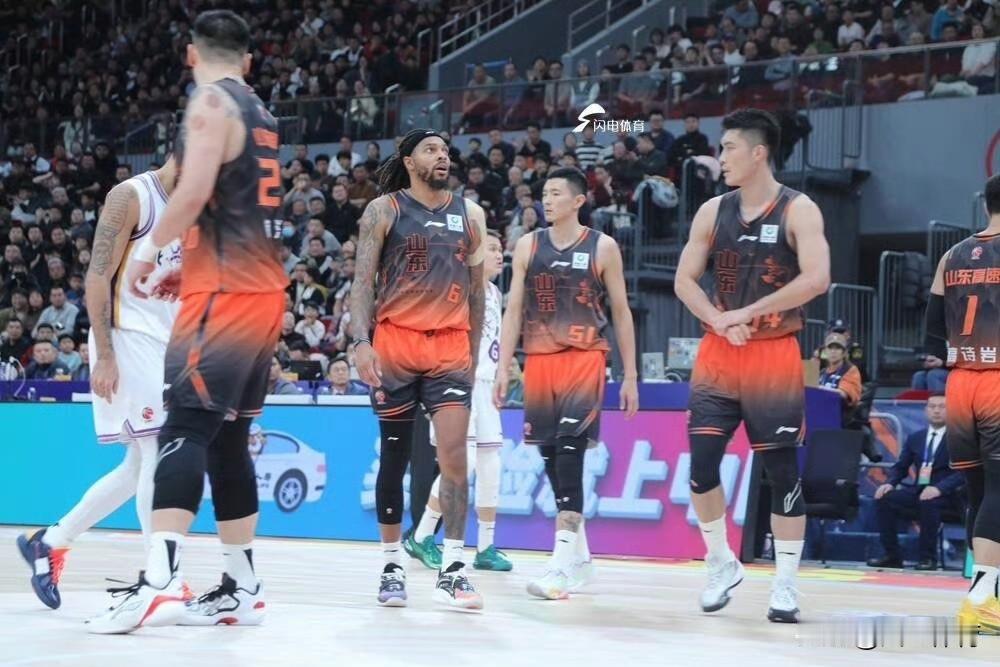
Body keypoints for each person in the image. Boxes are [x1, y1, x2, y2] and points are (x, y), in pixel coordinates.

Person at [87, 11, 287, 633]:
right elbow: (235, 206)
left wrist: (150, 253)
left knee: (183, 428)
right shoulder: (263, 113)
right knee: (228, 439)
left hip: (224, 296)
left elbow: (193, 191)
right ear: (248, 60)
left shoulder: (210, 102)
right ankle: (243, 587)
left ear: (191, 55)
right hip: (263, 294)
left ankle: (158, 580)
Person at [674, 109, 831, 624]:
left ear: (759, 152)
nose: (720, 158)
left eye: (729, 148)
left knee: (781, 472)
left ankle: (785, 584)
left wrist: (748, 313)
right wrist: (720, 320)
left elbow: (817, 279)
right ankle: (721, 561)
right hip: (719, 351)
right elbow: (684, 281)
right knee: (701, 467)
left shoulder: (798, 209)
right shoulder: (712, 211)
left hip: (772, 353)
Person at [16, 160, 183, 611]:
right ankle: (161, 578)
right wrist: (105, 355)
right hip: (127, 337)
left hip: (163, 341)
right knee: (158, 450)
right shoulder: (132, 196)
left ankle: (51, 542)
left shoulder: (193, 206)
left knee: (137, 464)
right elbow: (97, 276)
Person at [350, 128, 489, 610]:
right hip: (395, 343)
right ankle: (392, 563)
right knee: (395, 457)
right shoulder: (384, 210)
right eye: (431, 150)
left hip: (449, 347)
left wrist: (473, 354)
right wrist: (360, 342)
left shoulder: (471, 215)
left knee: (454, 456)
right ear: (409, 161)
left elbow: (477, 293)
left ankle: (454, 568)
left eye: (446, 150)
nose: (442, 156)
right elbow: (362, 283)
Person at [495, 167, 639, 600]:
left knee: (570, 454)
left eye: (556, 193)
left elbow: (621, 312)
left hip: (584, 357)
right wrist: (503, 366)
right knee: (551, 457)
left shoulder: (602, 246)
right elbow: (513, 310)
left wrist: (631, 375)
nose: (547, 199)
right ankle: (580, 556)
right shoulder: (528, 244)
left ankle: (558, 565)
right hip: (539, 361)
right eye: (545, 193)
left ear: (578, 201)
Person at [405, 231, 513, 572]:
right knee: (461, 464)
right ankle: (422, 536)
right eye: (492, 248)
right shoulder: (458, 286)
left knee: (491, 465)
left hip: (486, 385)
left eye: (501, 249)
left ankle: (485, 546)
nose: (499, 254)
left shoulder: (494, 293)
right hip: (457, 382)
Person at [925, 173, 1000, 632]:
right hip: (996, 382)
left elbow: (932, 332)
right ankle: (982, 598)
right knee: (999, 492)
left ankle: (983, 590)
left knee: (979, 493)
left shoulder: (951, 255)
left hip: (960, 385)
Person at [868, 394, 964, 570]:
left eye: (942, 407)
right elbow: (901, 467)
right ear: (926, 410)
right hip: (919, 491)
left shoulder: (961, 439)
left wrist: (939, 489)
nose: (936, 411)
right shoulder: (916, 438)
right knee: (885, 498)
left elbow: (963, 472)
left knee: (929, 501)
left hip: (948, 496)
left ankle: (928, 558)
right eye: (932, 407)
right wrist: (890, 483)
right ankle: (892, 555)